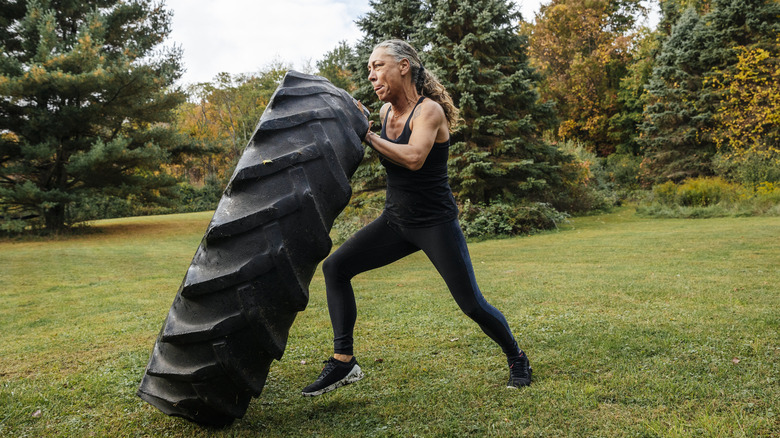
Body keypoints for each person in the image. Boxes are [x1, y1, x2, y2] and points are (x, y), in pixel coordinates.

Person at [301, 39, 531, 397]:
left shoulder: (429, 113)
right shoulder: (382, 115)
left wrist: (368, 136)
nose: (372, 75)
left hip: (435, 225)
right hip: (395, 223)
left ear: (404, 66)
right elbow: (373, 148)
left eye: (378, 66)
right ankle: (344, 360)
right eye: (368, 69)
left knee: (471, 304)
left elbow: (413, 157)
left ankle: (516, 356)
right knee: (336, 268)